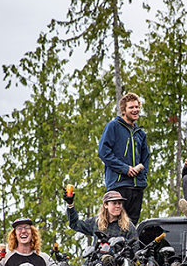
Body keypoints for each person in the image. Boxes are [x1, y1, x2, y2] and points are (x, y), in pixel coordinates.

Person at [98, 92, 150, 225]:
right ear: (123, 110)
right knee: (115, 225)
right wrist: (125, 169)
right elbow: (104, 152)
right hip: (119, 186)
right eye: (131, 107)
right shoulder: (113, 126)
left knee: (131, 226)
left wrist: (142, 178)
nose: (135, 110)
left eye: (137, 107)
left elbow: (145, 159)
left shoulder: (141, 134)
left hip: (137, 187)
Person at [64, 188, 138, 245]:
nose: (118, 206)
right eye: (114, 203)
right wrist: (70, 205)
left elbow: (135, 248)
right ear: (105, 205)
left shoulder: (128, 226)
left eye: (120, 203)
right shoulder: (96, 222)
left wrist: (123, 241)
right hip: (95, 262)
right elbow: (74, 224)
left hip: (117, 263)